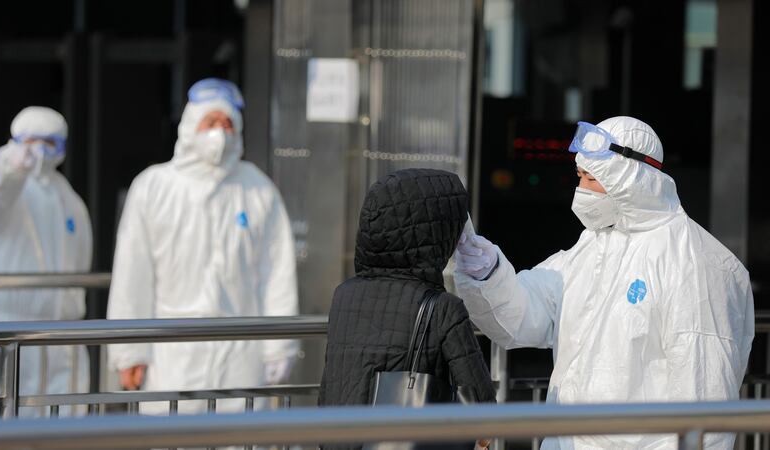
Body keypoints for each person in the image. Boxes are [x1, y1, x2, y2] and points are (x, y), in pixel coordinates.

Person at [453, 116, 754, 449]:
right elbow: (524, 316)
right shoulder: (593, 247)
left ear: (630, 179)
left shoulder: (695, 264)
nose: (581, 189)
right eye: (580, 176)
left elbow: (705, 411)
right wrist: (487, 271)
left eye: (592, 178)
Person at [107, 78, 299, 414]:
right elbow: (133, 273)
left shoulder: (257, 189)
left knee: (239, 438)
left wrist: (279, 346)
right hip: (173, 349)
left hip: (242, 349)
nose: (219, 133)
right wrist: (130, 350)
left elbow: (277, 271)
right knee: (173, 435)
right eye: (210, 122)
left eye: (227, 124)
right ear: (190, 127)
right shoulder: (154, 186)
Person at [319, 168, 496, 450]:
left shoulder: (343, 296)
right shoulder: (444, 309)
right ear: (437, 234)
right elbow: (481, 403)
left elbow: (331, 384)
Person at [0, 106, 92, 418]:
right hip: (5, 332)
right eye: (31, 141)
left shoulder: (70, 201)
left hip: (62, 340)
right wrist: (6, 169)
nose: (39, 150)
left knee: (61, 433)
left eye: (49, 142)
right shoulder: (1, 186)